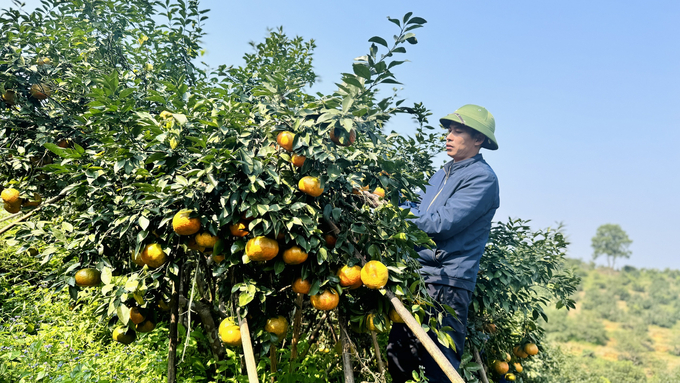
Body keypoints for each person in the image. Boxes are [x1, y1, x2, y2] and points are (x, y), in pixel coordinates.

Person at [386, 104, 500, 382]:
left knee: (438, 366)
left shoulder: (482, 179)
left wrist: (394, 212)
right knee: (399, 358)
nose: (448, 136)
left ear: (478, 139)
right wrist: (387, 196)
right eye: (449, 130)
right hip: (419, 278)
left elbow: (438, 224)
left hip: (447, 283)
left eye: (458, 131)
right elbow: (420, 209)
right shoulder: (443, 173)